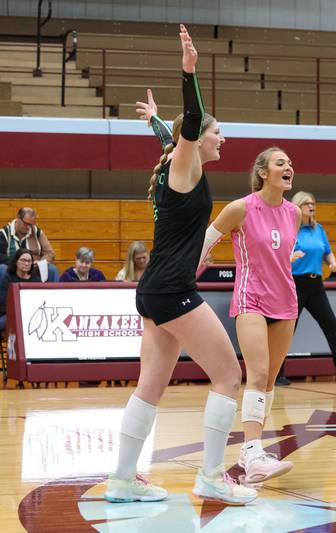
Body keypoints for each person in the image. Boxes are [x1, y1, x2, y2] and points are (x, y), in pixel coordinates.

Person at [105, 25, 257, 506]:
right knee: (230, 375)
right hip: (173, 290)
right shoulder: (185, 161)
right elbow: (188, 121)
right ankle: (212, 476)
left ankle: (122, 479)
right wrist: (188, 70)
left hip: (154, 290)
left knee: (150, 387)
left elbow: (172, 137)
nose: (223, 138)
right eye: (217, 131)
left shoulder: (174, 163)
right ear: (196, 138)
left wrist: (154, 120)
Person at [197, 147, 301, 484]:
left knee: (269, 380)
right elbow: (205, 243)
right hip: (250, 298)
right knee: (256, 373)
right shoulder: (241, 208)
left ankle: (251, 452)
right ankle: (253, 450)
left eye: (290, 163)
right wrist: (190, 270)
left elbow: (280, 256)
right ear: (263, 172)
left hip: (285, 300)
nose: (289, 167)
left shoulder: (294, 213)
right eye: (280, 163)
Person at [288, 191, 336, 369]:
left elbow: (327, 252)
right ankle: (277, 375)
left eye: (313, 203)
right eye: (307, 204)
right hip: (295, 284)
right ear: (297, 206)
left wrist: (332, 262)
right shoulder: (290, 229)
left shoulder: (319, 230)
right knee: (287, 329)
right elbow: (278, 255)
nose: (311, 206)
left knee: (332, 326)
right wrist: (290, 256)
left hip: (316, 285)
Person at [0, 207, 58, 293]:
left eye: (30, 224)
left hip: (33, 269)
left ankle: (52, 302)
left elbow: (50, 253)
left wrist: (40, 263)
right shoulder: (3, 233)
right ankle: (0, 303)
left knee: (52, 269)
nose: (27, 227)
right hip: (12, 270)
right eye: (25, 223)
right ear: (18, 218)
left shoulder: (37, 232)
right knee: (2, 269)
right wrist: (17, 263)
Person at [0, 248, 42, 332]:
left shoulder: (36, 279)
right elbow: (2, 301)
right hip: (10, 314)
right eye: (23, 260)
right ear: (16, 262)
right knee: (2, 324)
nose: (26, 263)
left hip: (30, 314)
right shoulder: (8, 278)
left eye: (29, 261)